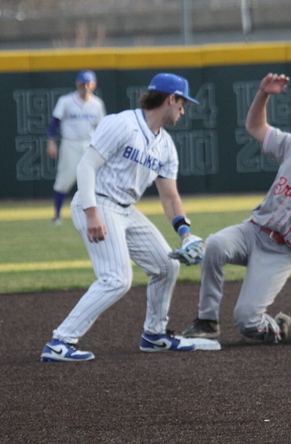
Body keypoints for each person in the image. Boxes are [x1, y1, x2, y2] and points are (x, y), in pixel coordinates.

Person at [41, 73, 219, 362]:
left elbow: (170, 197)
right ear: (170, 99)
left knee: (166, 266)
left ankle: (155, 335)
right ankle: (60, 342)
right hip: (97, 201)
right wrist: (92, 213)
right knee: (116, 278)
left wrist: (185, 233)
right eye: (182, 103)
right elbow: (85, 167)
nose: (183, 110)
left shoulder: (166, 146)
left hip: (124, 208)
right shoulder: (122, 123)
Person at [181, 72, 291, 344]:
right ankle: (207, 320)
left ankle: (275, 327)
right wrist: (263, 94)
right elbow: (255, 127)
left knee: (246, 321)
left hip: (281, 252)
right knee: (214, 244)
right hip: (252, 231)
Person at [47, 69, 107, 225]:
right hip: (70, 143)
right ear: (76, 84)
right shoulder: (66, 101)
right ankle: (57, 215)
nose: (85, 87)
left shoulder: (97, 104)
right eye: (82, 83)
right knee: (64, 180)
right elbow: (54, 122)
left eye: (88, 83)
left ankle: (99, 215)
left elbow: (102, 127)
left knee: (96, 181)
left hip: (91, 144)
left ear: (93, 85)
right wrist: (51, 142)